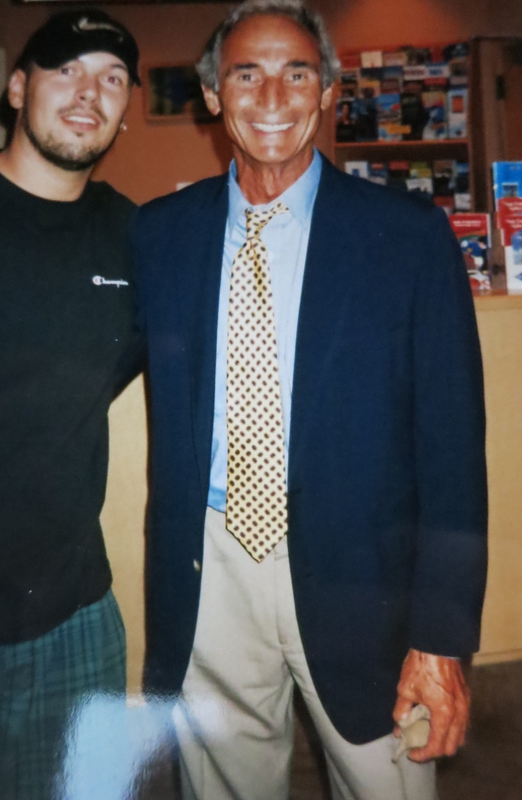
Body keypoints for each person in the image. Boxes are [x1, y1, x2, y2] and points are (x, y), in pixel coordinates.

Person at [132, 1, 487, 799]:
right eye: (246, 74)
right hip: (209, 562)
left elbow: (453, 451)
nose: (271, 97)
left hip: (366, 573)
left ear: (328, 91)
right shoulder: (161, 235)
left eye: (297, 73)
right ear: (213, 95)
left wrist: (440, 639)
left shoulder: (407, 236)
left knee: (385, 782)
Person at [0, 9, 142, 798]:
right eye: (66, 70)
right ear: (18, 88)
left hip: (77, 614)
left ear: (127, 108)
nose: (90, 93)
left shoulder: (131, 236)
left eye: (112, 78)